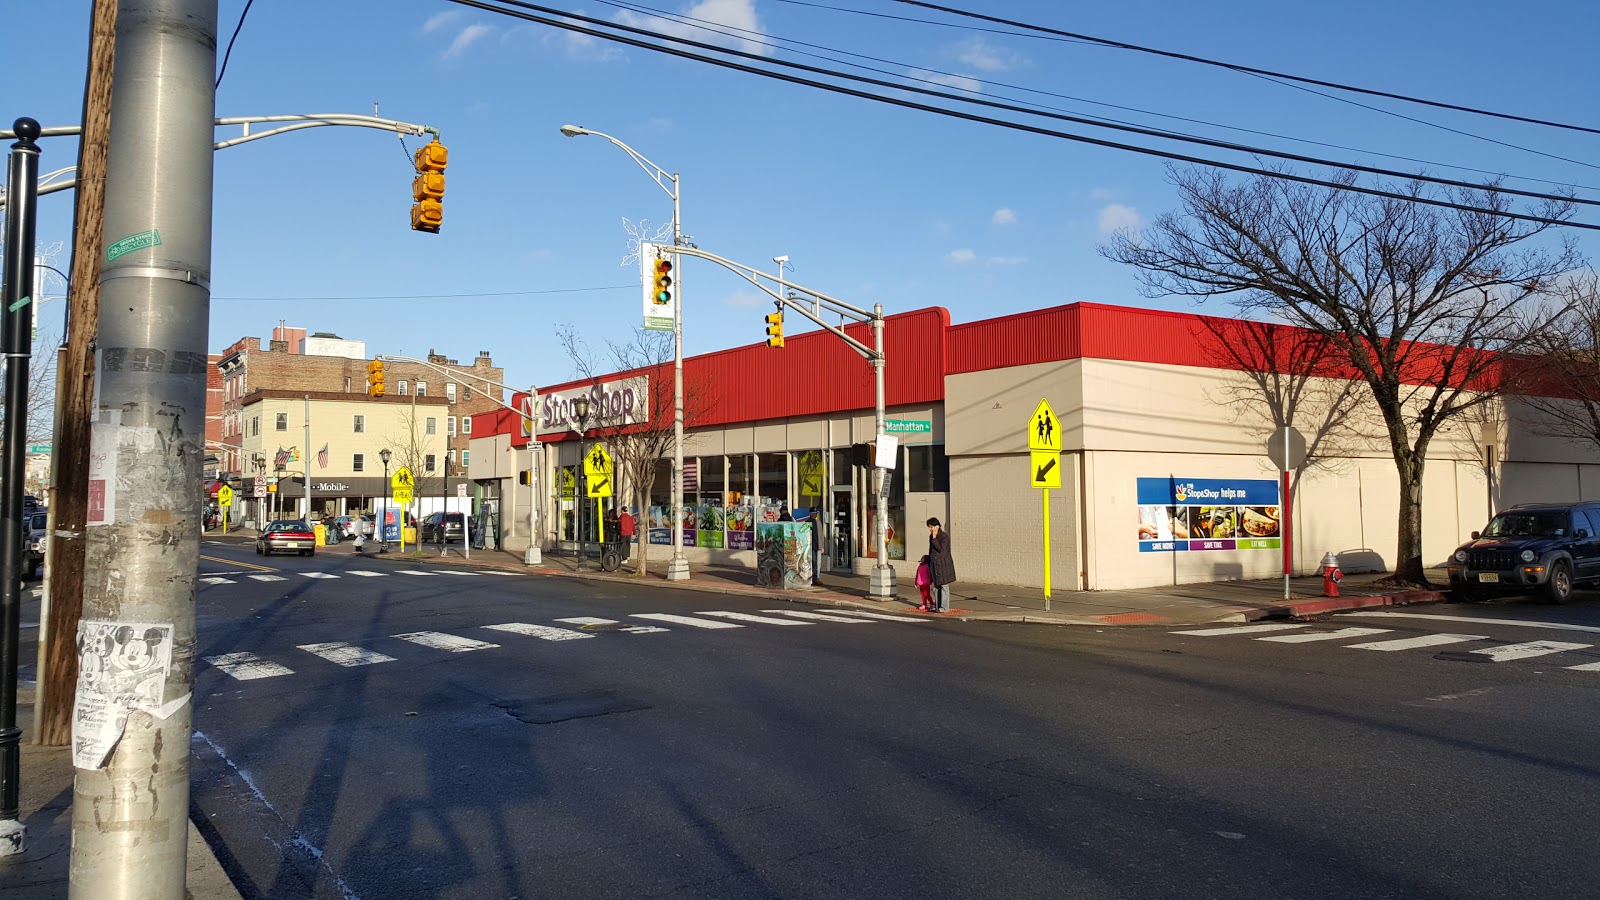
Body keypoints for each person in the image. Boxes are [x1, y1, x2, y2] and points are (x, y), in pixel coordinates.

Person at [926, 517, 956, 613]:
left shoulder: (944, 537)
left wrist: (935, 538)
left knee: (943, 586)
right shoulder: (931, 537)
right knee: (936, 586)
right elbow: (931, 551)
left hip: (943, 564)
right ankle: (937, 605)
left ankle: (944, 607)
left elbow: (941, 550)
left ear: (936, 526)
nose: (930, 529)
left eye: (931, 527)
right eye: (929, 527)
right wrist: (928, 561)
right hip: (934, 564)